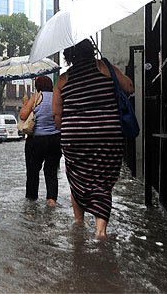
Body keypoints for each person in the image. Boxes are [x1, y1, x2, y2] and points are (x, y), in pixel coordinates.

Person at [53, 39, 134, 240]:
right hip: (108, 135)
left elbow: (57, 116)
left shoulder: (63, 80)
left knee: (77, 178)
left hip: (75, 137)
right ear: (91, 50)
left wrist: (69, 131)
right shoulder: (106, 68)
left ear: (69, 56)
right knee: (102, 181)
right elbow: (130, 87)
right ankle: (100, 231)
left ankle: (79, 222)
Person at [19, 76, 62, 207]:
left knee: (33, 171)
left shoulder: (37, 96)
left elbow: (23, 115)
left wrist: (26, 103)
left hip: (37, 140)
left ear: (38, 86)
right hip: (56, 140)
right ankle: (51, 200)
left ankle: (32, 202)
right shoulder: (57, 97)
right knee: (51, 171)